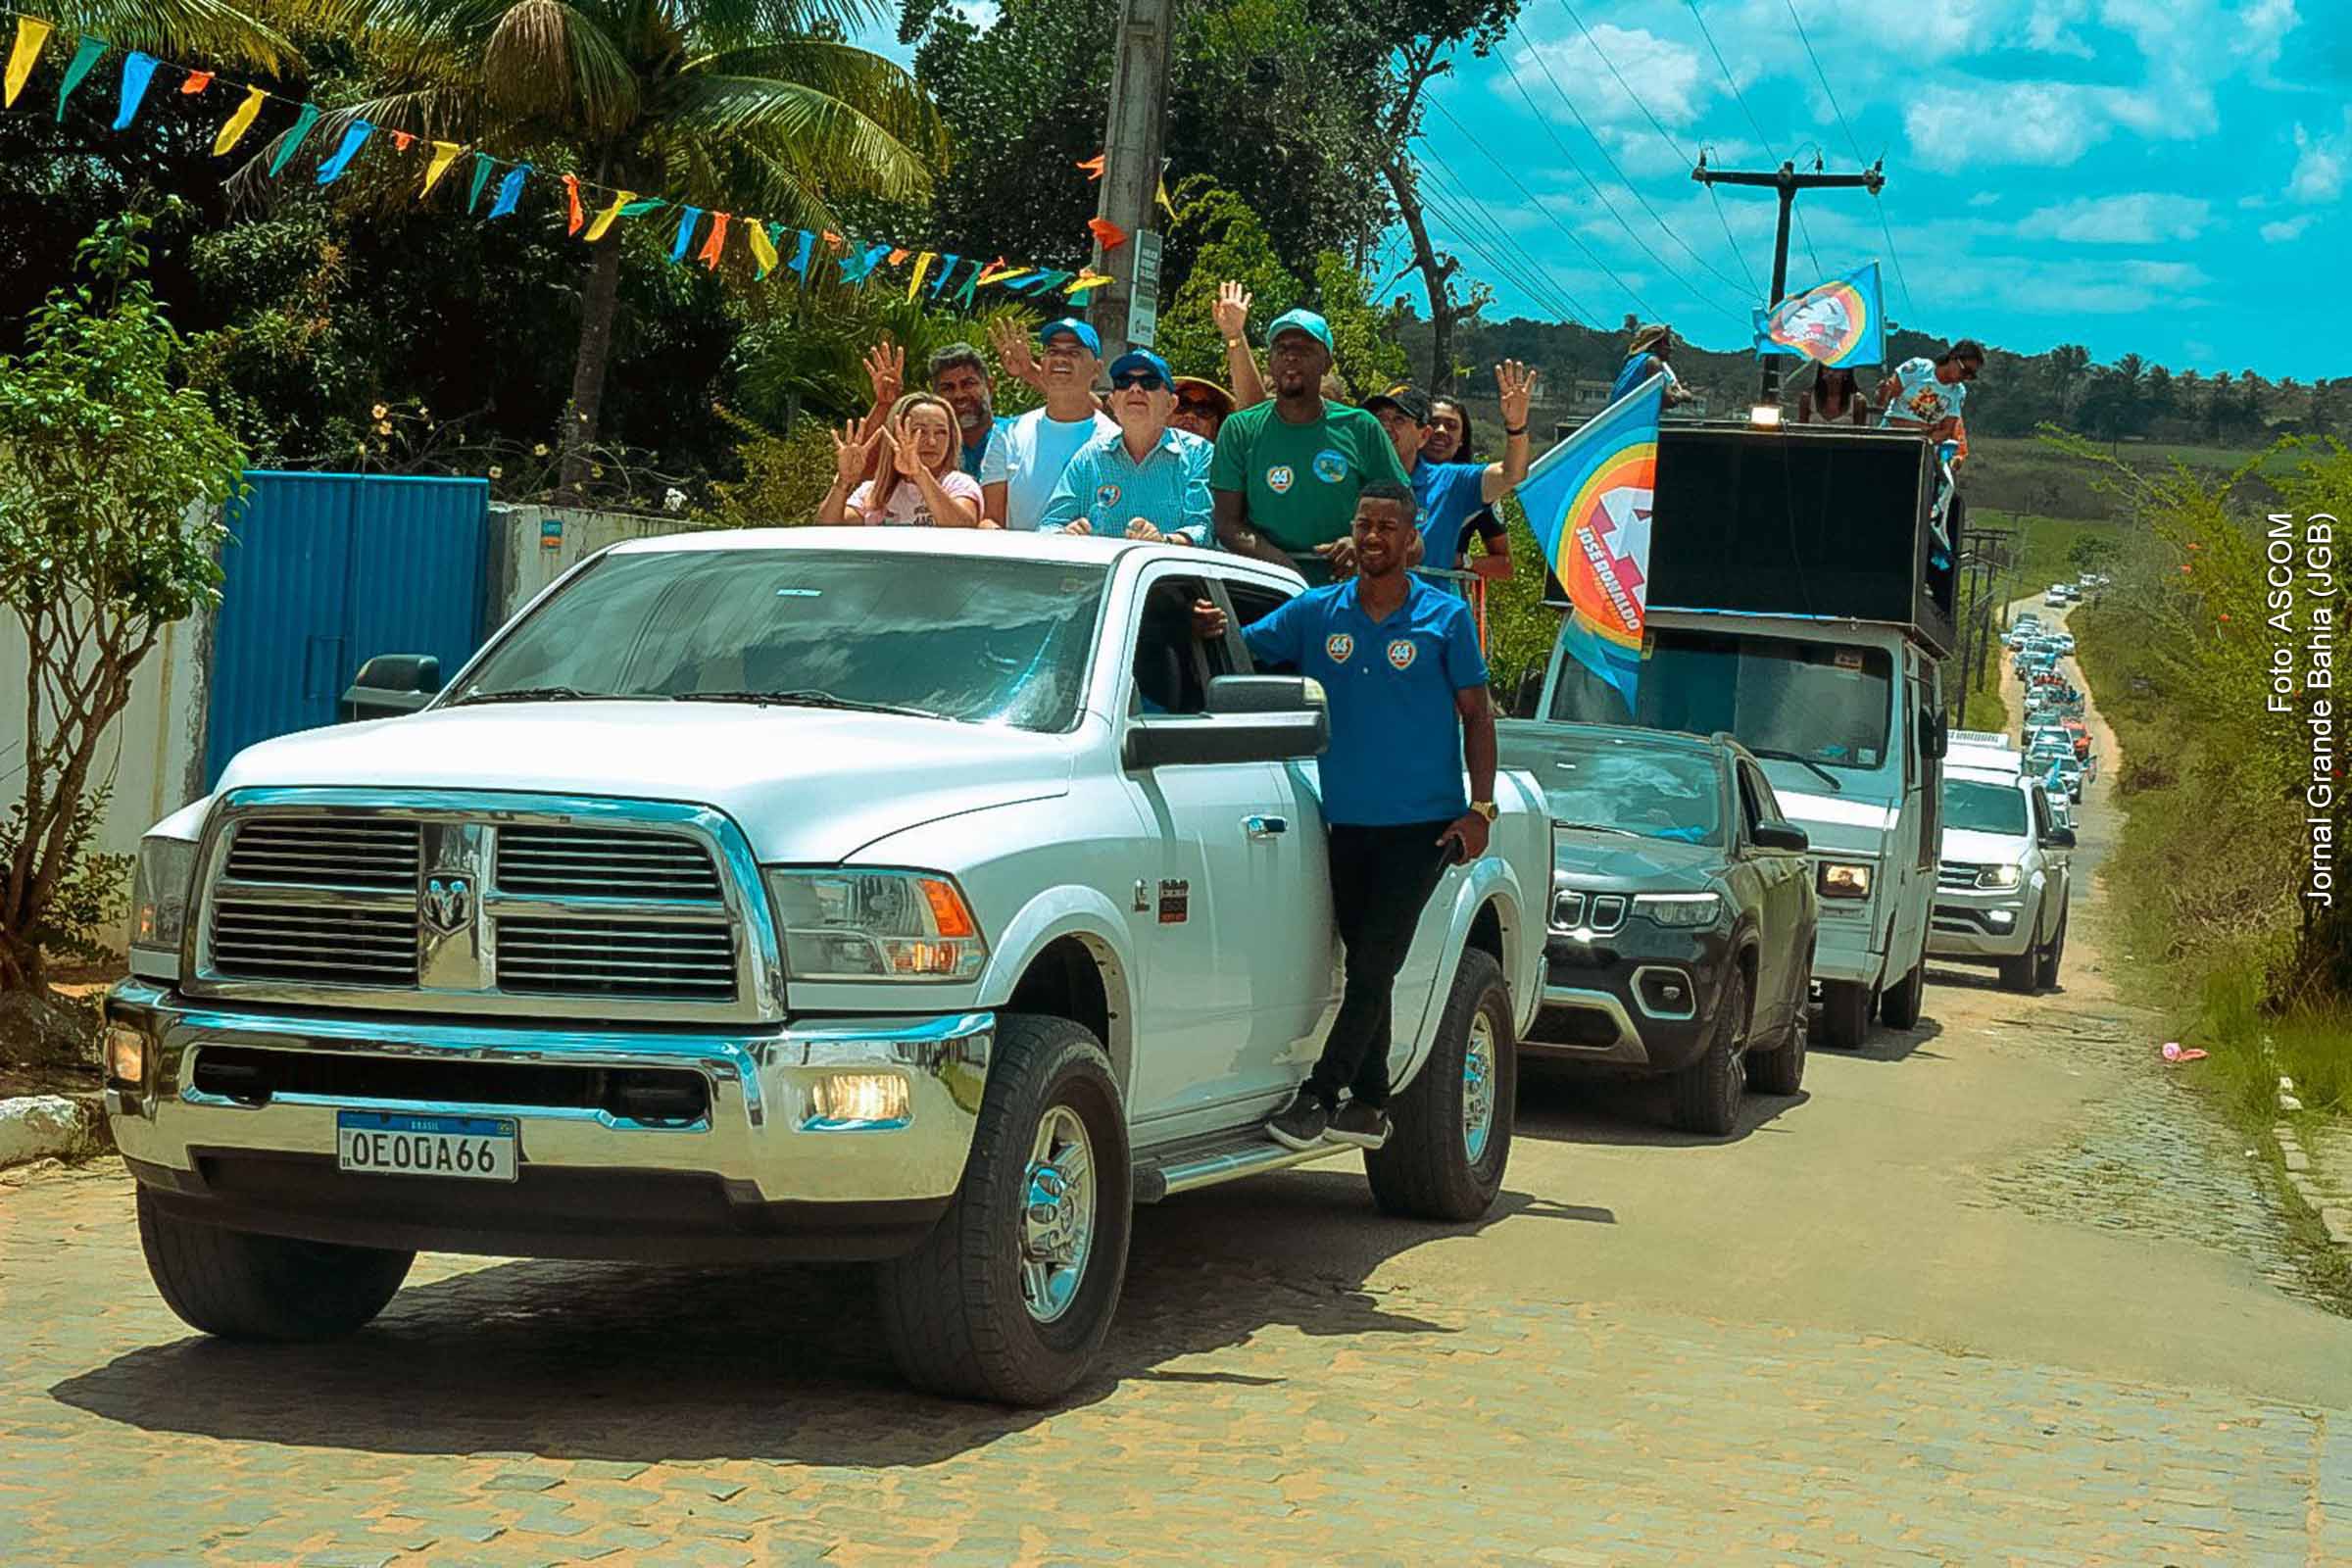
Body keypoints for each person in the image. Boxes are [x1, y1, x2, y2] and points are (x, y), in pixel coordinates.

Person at [1190, 480, 1498, 1152]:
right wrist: (1208, 625)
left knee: (1376, 963)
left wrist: (1481, 809)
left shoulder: (1445, 619)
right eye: (1364, 524)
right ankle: (1372, 1101)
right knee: (1364, 962)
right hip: (1347, 822)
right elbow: (1241, 647)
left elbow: (1478, 715)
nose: (1373, 537)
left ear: (1411, 539)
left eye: (1387, 526)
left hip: (1424, 829)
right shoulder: (1315, 613)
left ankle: (1321, 1095)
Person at [1209, 308, 1410, 582]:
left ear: (1326, 364)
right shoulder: (1239, 429)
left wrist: (1361, 542)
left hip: (1346, 587)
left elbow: (1402, 510)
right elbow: (1227, 524)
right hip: (1267, 587)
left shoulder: (1361, 427)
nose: (1291, 356)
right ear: (1270, 362)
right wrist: (1286, 571)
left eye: (1304, 349)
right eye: (1281, 348)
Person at [1363, 367, 1536, 589]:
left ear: (1423, 435)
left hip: (1425, 609)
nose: (1386, 427)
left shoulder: (1451, 483)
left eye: (1398, 420)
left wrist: (1516, 426)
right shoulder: (1352, 475)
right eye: (1379, 418)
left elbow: (1512, 474)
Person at [1038, 349, 1213, 545]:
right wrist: (1065, 533)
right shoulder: (1089, 457)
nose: (1135, 389)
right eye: (1124, 382)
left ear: (1170, 404)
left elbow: (1204, 529)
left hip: (1169, 565)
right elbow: (1049, 524)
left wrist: (1164, 541)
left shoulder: (1199, 454)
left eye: (1149, 382)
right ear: (1113, 403)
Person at [857, 339, 1011, 525]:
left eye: (968, 384)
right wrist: (884, 404)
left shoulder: (1012, 437)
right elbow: (862, 471)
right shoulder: (920, 442)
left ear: (990, 386)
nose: (959, 395)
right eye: (947, 388)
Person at [989, 317, 1118, 530]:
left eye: (1074, 353)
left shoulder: (1115, 441)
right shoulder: (1006, 433)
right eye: (1052, 351)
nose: (1060, 359)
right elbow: (990, 519)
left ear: (1097, 369)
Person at [818, 393, 986, 527]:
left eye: (941, 432)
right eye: (919, 431)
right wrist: (843, 482)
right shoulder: (872, 492)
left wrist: (920, 474)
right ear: (895, 435)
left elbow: (964, 527)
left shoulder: (959, 484)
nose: (932, 441)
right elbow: (828, 530)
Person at [1876, 339, 1984, 446]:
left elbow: (1946, 431)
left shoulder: (1958, 392)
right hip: (1890, 435)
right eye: (1965, 370)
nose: (1967, 377)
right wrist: (1924, 428)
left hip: (1920, 445)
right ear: (1953, 357)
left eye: (1972, 375)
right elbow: (1885, 398)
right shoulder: (1919, 367)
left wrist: (1928, 440)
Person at [1611, 322, 1696, 406]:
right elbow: (1667, 401)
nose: (1670, 348)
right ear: (1656, 344)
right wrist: (1682, 395)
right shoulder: (1653, 362)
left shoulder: (1633, 361)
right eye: (1667, 343)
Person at [1798, 365, 1869, 426]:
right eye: (1826, 368)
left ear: (1846, 372)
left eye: (1836, 369)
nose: (1830, 373)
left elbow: (1860, 434)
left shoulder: (1858, 401)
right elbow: (1800, 431)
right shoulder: (1807, 398)